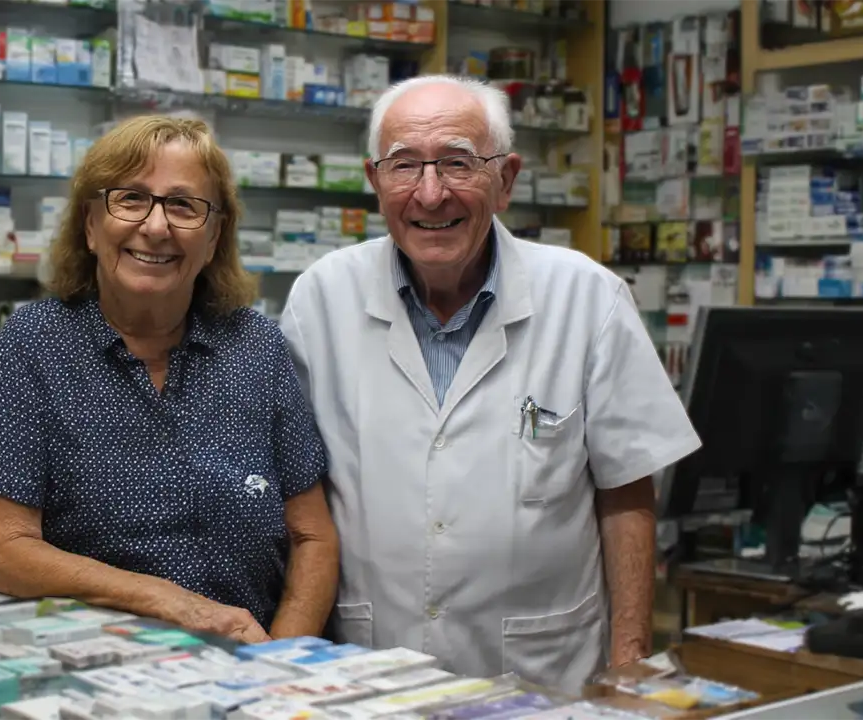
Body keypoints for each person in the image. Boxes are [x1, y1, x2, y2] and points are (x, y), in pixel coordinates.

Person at [279, 76, 701, 692]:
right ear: (375, 182)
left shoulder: (586, 297)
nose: (430, 193)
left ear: (505, 179)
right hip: (370, 670)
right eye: (404, 166)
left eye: (457, 163)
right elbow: (299, 495)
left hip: (542, 674)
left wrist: (630, 663)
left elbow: (627, 492)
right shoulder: (321, 297)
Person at [0, 115, 339, 644]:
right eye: (131, 199)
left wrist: (281, 661)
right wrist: (173, 602)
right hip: (103, 673)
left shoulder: (255, 346)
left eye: (183, 205)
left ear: (213, 237)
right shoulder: (34, 344)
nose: (156, 227)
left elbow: (313, 535)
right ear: (91, 225)